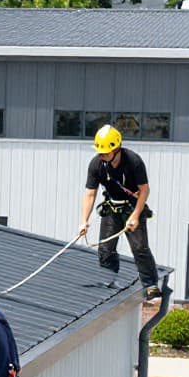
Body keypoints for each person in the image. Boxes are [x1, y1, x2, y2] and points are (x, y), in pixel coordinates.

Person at [79, 124, 162, 301]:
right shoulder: (96, 164)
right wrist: (83, 220)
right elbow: (90, 193)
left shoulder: (133, 161)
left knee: (140, 248)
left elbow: (144, 190)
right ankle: (108, 281)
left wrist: (135, 215)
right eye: (100, 152)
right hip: (112, 207)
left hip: (132, 206)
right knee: (105, 250)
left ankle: (151, 286)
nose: (102, 156)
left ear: (116, 148)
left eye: (105, 153)